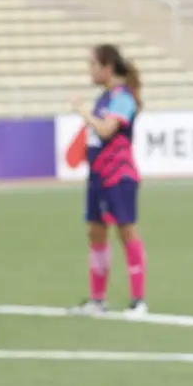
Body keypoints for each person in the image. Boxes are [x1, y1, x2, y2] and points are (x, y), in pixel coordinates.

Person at [69, 44, 146, 316]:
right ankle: (97, 300)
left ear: (107, 67)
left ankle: (138, 302)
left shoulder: (122, 97)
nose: (90, 70)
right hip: (99, 177)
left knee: (127, 232)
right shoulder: (105, 97)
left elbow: (105, 130)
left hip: (119, 176)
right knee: (95, 232)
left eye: (93, 65)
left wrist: (83, 111)